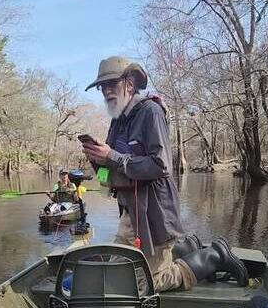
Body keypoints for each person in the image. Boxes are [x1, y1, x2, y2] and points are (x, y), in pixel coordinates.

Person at [81, 56, 246, 292]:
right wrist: (97, 159)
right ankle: (186, 247)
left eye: (111, 84)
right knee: (117, 273)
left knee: (145, 285)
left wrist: (112, 156)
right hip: (131, 214)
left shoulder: (151, 111)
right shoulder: (117, 122)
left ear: (129, 83)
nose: (106, 91)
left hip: (154, 213)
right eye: (102, 87)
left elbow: (161, 165)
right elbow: (110, 172)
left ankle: (214, 256)